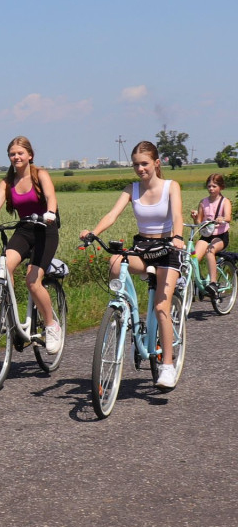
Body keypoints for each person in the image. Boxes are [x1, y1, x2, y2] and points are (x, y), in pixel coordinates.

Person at [79, 141, 184, 389]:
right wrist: (93, 232)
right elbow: (112, 214)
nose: (140, 168)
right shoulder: (132, 189)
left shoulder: (171, 186)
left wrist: (178, 237)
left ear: (156, 164)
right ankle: (125, 308)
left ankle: (167, 365)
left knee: (161, 307)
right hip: (143, 249)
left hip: (168, 249)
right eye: (136, 164)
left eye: (144, 163)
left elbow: (178, 215)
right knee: (115, 261)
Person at [0, 136, 62, 354]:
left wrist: (50, 214)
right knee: (4, 268)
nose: (16, 157)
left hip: (45, 230)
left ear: (30, 155)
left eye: (20, 153)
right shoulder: (7, 182)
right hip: (24, 230)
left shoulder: (41, 175)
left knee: (32, 280)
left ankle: (51, 325)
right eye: (12, 154)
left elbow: (51, 197)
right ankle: (1, 310)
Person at [190, 173, 232, 298]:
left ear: (221, 187)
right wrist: (195, 218)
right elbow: (199, 223)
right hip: (206, 235)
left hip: (220, 235)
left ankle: (213, 283)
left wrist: (222, 218)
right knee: (194, 257)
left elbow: (228, 218)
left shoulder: (225, 202)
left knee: (210, 252)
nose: (211, 189)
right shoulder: (203, 202)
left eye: (214, 186)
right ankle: (199, 281)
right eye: (209, 186)